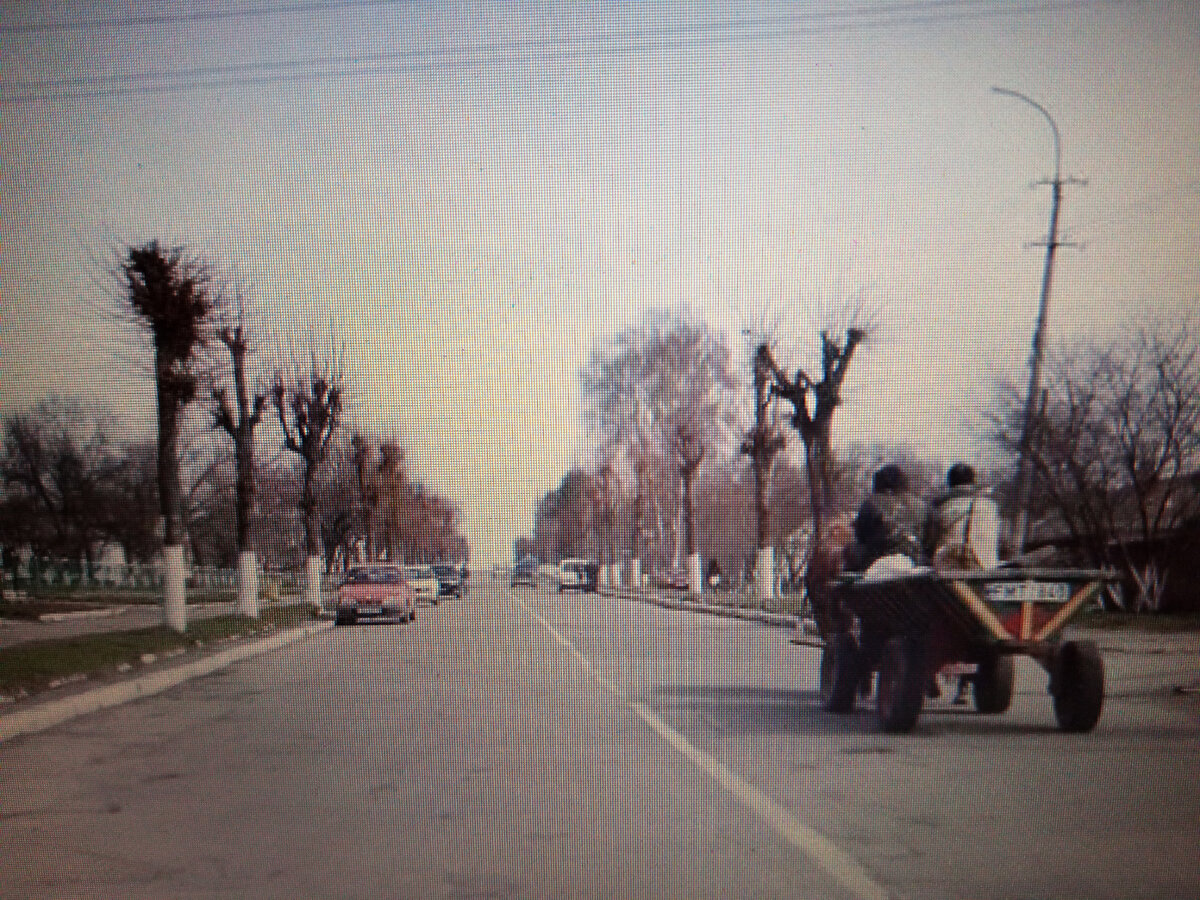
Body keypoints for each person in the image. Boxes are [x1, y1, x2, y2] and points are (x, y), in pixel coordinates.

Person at [843, 464, 923, 573]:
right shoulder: (921, 504)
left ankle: (850, 584)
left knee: (849, 550)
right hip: (916, 560)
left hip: (879, 562)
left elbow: (860, 536)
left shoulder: (872, 502)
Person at [921, 463, 1001, 570]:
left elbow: (929, 545)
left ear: (950, 483)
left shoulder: (940, 507)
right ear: (973, 482)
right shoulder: (991, 506)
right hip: (986, 570)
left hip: (949, 572)